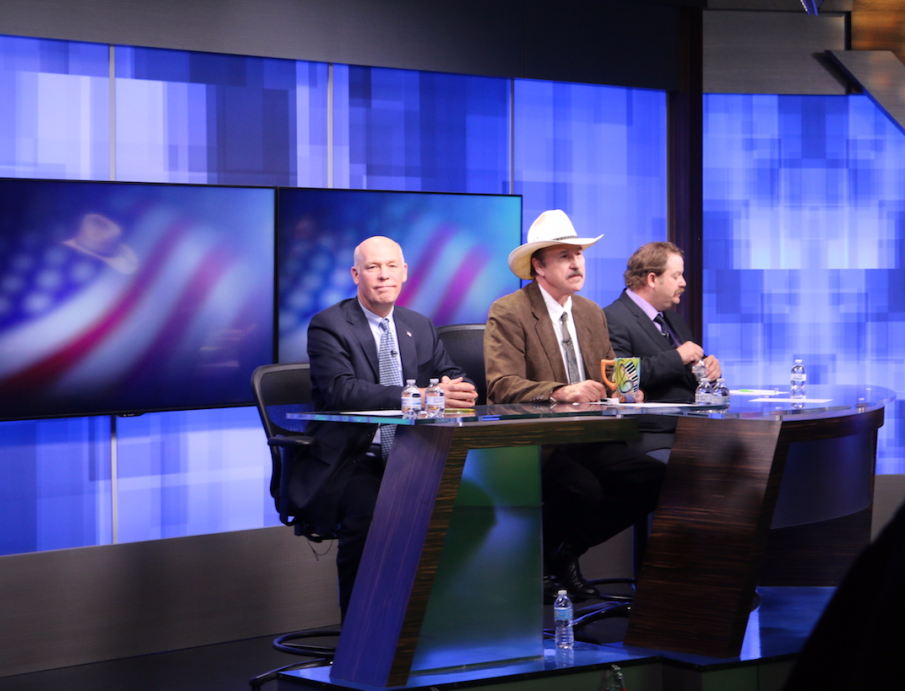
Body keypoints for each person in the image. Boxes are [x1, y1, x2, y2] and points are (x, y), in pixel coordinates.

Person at [484, 209, 665, 601]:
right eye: (565, 255)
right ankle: (533, 562)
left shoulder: (590, 312)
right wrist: (560, 391)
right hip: (536, 444)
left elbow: (609, 376)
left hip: (589, 437)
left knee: (654, 479)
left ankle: (562, 552)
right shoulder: (508, 311)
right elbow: (501, 385)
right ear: (539, 266)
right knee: (582, 488)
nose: (577, 263)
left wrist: (624, 392)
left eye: (579, 254)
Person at [291, 236, 477, 615]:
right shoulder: (328, 326)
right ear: (355, 275)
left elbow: (451, 375)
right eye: (373, 268)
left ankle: (426, 626)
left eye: (391, 266)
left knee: (480, 508)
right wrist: (417, 397)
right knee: (373, 518)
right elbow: (343, 391)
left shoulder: (418, 325)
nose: (383, 275)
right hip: (354, 459)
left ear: (405, 272)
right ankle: (358, 640)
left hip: (414, 456)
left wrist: (459, 390)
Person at [603, 242, 722, 454]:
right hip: (649, 436)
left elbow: (689, 365)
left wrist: (707, 368)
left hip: (694, 431)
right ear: (652, 279)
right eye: (676, 276)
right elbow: (621, 379)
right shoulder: (613, 318)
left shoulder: (673, 319)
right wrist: (677, 357)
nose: (683, 283)